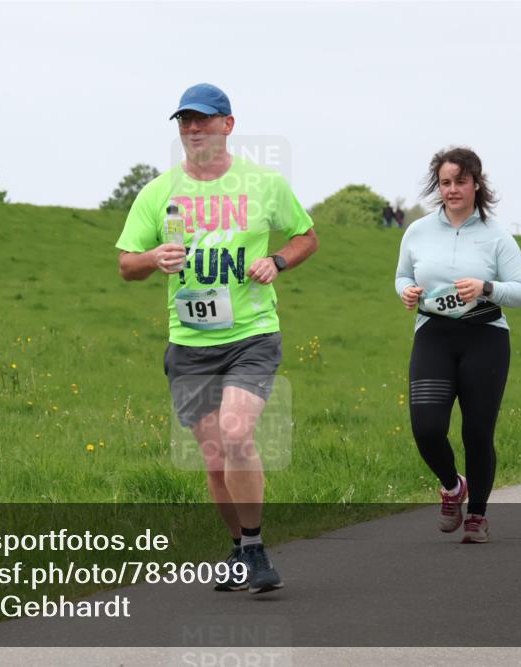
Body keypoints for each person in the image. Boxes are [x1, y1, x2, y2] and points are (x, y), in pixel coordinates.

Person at [116, 83, 318, 593]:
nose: (192, 128)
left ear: (228, 124)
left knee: (236, 433)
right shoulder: (157, 193)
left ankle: (254, 547)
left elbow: (306, 236)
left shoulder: (264, 184)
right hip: (189, 343)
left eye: (202, 119)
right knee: (213, 459)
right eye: (184, 121)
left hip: (251, 334)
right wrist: (151, 259)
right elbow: (126, 265)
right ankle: (238, 549)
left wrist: (276, 261)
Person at [394, 146, 521, 543]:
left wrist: (486, 287)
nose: (452, 189)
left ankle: (477, 516)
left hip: (485, 337)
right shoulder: (418, 231)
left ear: (476, 183)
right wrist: (406, 292)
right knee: (427, 427)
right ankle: (453, 486)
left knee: (477, 432)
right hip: (434, 335)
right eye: (445, 183)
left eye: (460, 181)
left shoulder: (497, 236)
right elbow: (402, 275)